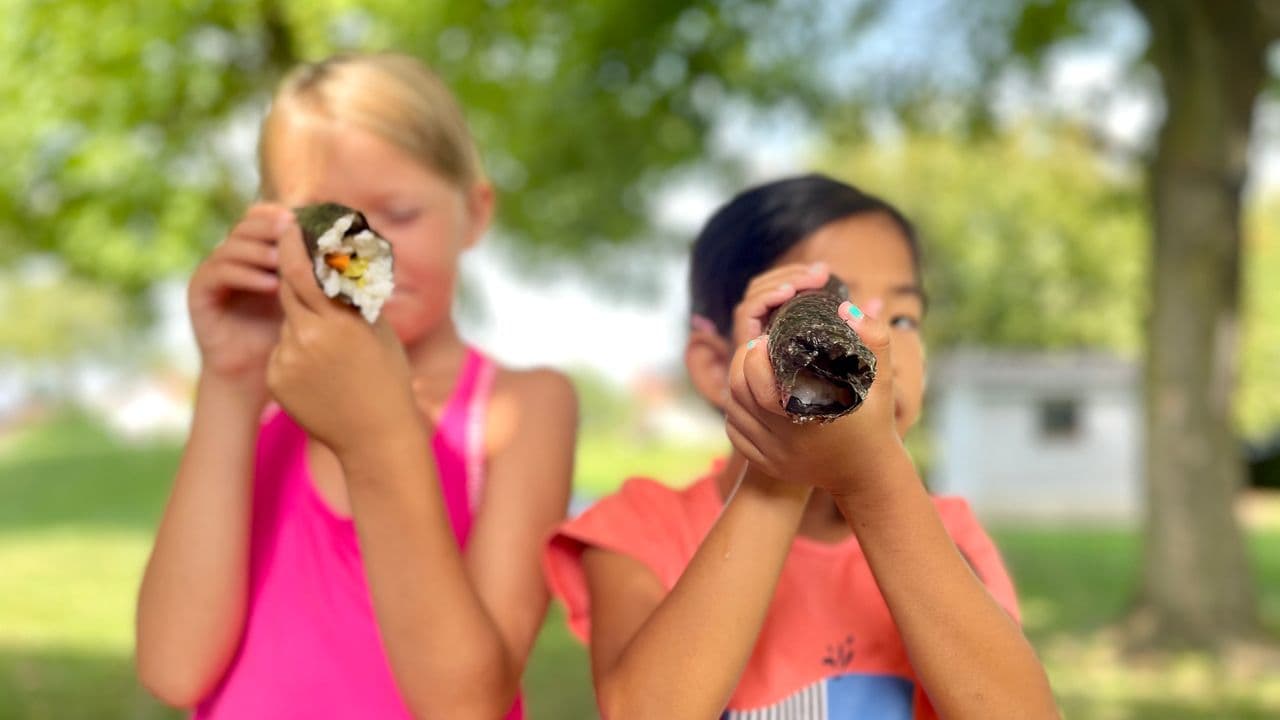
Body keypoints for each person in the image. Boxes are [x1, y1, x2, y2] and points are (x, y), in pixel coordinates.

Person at [136, 52, 577, 719]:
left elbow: (468, 706)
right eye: (330, 223)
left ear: (476, 212)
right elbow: (174, 670)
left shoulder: (520, 409)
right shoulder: (255, 409)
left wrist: (377, 431)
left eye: (399, 214)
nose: (368, 256)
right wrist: (228, 383)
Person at [544, 174, 1059, 719]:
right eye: (832, 308)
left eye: (903, 317)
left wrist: (874, 480)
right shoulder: (638, 531)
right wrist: (777, 466)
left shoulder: (950, 537)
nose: (877, 338)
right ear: (717, 366)